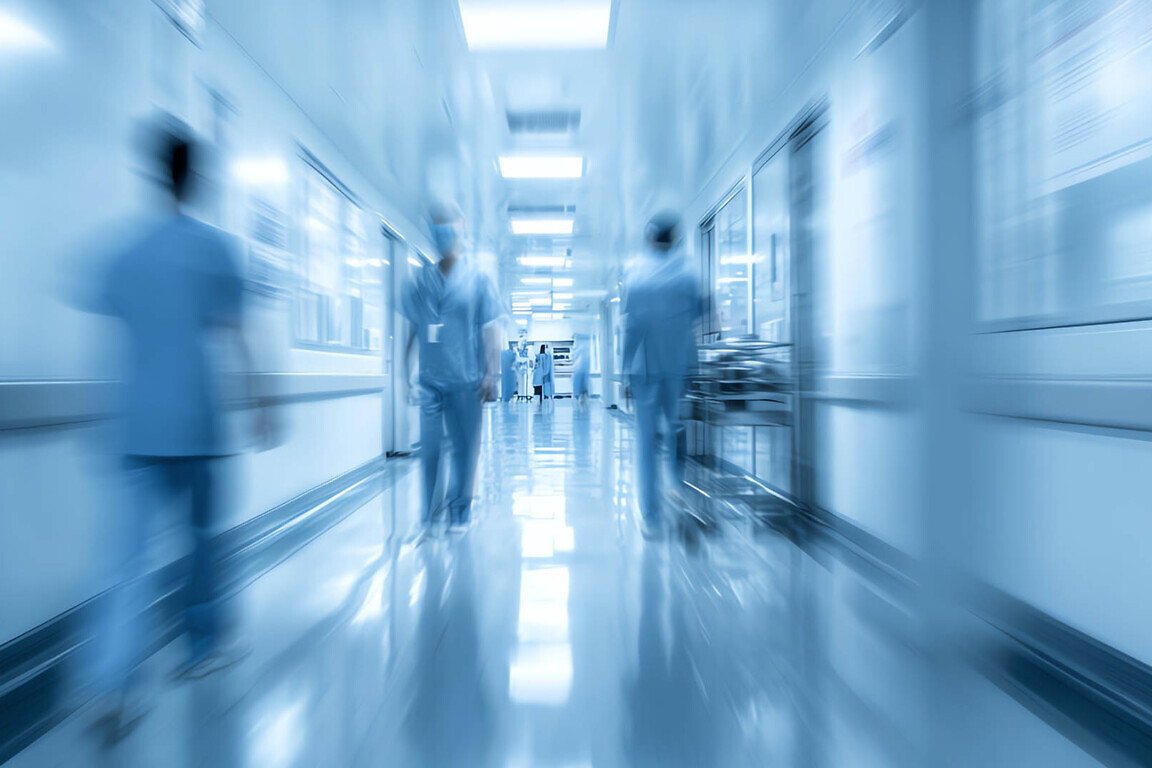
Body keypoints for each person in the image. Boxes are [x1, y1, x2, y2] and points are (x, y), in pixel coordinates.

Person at [87, 124, 272, 740]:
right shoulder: (214, 248)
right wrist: (261, 401)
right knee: (201, 542)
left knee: (127, 561)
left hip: (136, 425)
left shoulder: (125, 251)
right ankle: (200, 650)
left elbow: (112, 339)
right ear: (196, 180)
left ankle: (115, 684)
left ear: (153, 173)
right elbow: (236, 332)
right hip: (195, 423)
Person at [402, 208, 501, 534]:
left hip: (466, 378)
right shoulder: (422, 280)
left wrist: (491, 373)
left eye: (448, 227)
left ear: (461, 230)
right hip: (430, 379)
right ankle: (430, 514)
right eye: (437, 227)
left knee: (464, 448)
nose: (443, 233)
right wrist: (405, 368)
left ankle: (460, 510)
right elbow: (415, 326)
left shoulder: (478, 279)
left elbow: (489, 329)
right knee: (430, 449)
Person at [622, 212, 703, 540]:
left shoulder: (636, 276)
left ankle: (651, 518)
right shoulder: (689, 276)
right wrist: (692, 368)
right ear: (676, 239)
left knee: (646, 442)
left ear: (649, 238)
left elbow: (631, 330)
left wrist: (626, 370)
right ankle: (676, 486)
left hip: (646, 371)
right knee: (676, 431)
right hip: (677, 368)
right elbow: (695, 325)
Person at [572, 333, 591, 410]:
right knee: (582, 388)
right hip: (581, 371)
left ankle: (582, 402)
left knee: (581, 388)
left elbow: (575, 357)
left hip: (580, 372)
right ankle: (582, 402)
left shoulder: (581, 349)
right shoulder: (583, 350)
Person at [533, 343, 553, 408]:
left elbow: (536, 366)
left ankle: (538, 401)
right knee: (542, 388)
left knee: (538, 389)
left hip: (537, 376)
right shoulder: (545, 356)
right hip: (542, 375)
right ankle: (542, 399)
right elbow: (546, 367)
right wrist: (545, 373)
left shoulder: (538, 357)